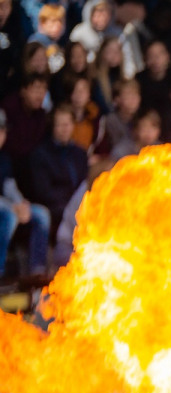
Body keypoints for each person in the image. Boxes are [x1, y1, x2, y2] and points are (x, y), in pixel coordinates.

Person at [0, 109, 50, 278]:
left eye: (2, 130)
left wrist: (21, 203)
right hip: (5, 208)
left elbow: (9, 186)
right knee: (9, 216)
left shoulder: (4, 157)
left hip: (9, 205)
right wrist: (13, 207)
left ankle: (37, 271)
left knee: (41, 214)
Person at [27, 104, 87, 231]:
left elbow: (84, 183)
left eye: (67, 124)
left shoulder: (80, 153)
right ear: (52, 127)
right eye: (60, 125)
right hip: (55, 205)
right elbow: (43, 191)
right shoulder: (41, 154)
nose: (64, 129)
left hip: (80, 202)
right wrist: (72, 202)